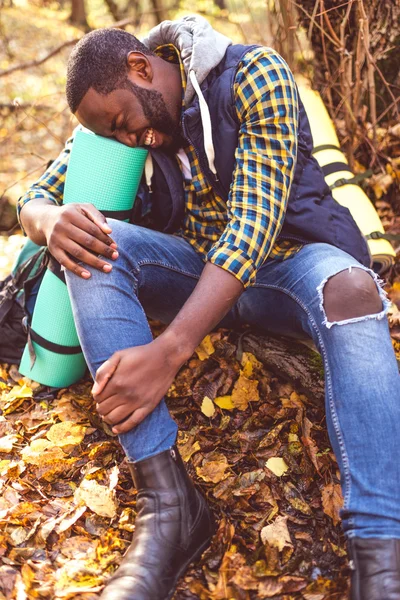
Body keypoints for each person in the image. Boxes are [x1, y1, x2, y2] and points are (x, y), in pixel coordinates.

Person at [17, 15, 400, 600]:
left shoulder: (253, 75)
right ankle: (171, 504)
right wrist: (50, 222)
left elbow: (252, 226)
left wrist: (171, 350)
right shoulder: (117, 121)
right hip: (192, 267)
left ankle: (382, 555)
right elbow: (38, 195)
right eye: (113, 135)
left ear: (142, 68)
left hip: (288, 262)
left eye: (125, 123)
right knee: (91, 241)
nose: (127, 141)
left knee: (352, 289)